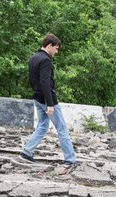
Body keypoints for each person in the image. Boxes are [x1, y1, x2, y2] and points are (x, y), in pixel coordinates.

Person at [16, 33, 78, 170]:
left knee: (43, 126)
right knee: (62, 129)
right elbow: (45, 82)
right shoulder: (45, 60)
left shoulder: (33, 57)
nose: (56, 52)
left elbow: (32, 80)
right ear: (50, 45)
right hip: (47, 100)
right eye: (56, 48)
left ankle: (26, 153)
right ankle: (70, 160)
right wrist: (50, 104)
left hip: (37, 98)